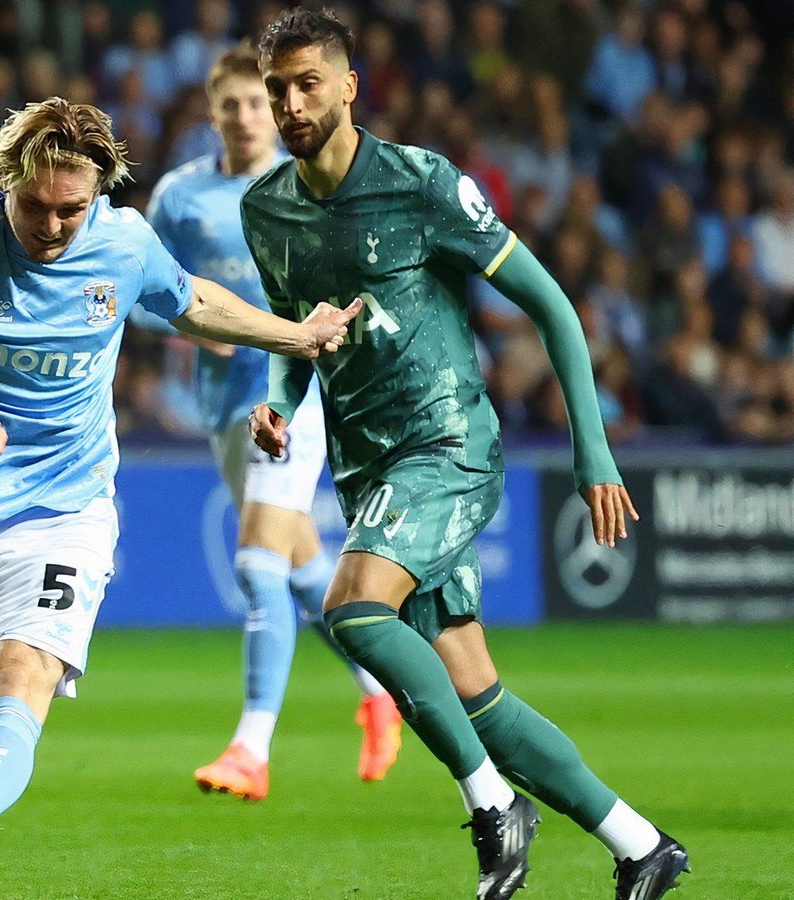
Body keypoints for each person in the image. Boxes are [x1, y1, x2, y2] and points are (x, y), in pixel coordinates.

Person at [0, 96, 361, 900]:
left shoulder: (122, 245)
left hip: (62, 518)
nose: (55, 227)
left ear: (99, 192)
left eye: (73, 208)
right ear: (4, 180)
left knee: (18, 677)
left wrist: (297, 334)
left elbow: (193, 300)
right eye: (37, 205)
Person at [242, 11, 686, 900]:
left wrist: (591, 451)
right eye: (277, 89)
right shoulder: (270, 211)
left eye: (307, 84)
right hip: (368, 466)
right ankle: (640, 844)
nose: (291, 104)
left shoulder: (422, 183)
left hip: (444, 442)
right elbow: (300, 336)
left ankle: (492, 806)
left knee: (354, 612)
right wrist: (280, 404)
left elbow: (554, 306)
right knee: (472, 688)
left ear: (348, 84)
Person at [147, 46, 402, 802]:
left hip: (294, 395)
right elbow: (136, 293)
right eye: (232, 104)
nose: (248, 115)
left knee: (256, 561)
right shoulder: (181, 196)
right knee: (299, 568)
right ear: (213, 110)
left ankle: (251, 748)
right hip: (222, 404)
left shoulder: (303, 184)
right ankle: (382, 686)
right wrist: (193, 328)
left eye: (258, 103)